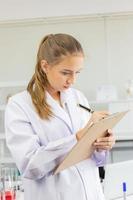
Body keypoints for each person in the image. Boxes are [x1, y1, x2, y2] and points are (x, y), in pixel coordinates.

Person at [5, 33, 115, 200]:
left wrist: (101, 145)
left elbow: (94, 160)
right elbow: (30, 166)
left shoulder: (78, 97)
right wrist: (77, 138)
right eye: (66, 73)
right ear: (45, 66)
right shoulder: (20, 105)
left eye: (77, 72)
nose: (72, 80)